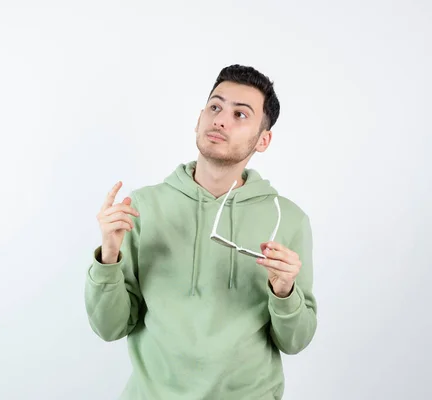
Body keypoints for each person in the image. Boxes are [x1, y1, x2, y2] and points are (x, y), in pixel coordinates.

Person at [84, 64, 317, 399]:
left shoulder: (289, 220)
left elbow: (295, 341)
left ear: (263, 140)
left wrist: (284, 291)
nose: (220, 119)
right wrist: (108, 256)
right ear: (199, 119)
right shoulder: (142, 207)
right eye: (215, 107)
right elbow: (110, 328)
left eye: (240, 115)